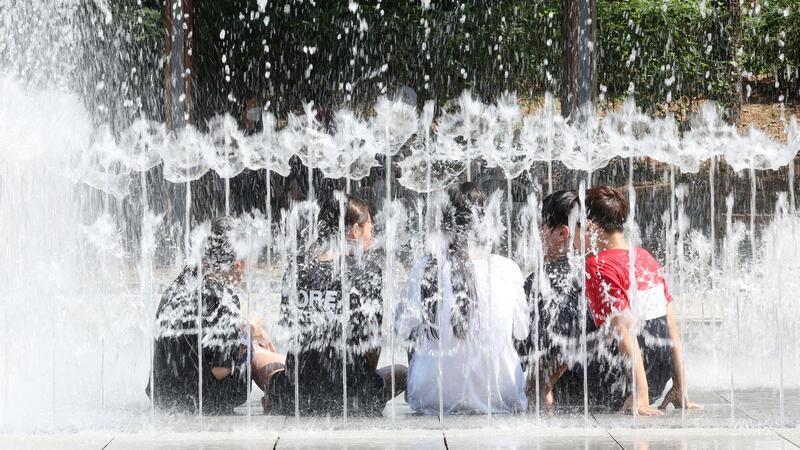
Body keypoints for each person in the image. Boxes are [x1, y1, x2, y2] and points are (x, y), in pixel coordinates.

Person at [267, 194, 407, 416]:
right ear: (354, 230)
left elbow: (291, 332)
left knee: (269, 367)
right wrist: (363, 382)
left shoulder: (296, 268)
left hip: (298, 395)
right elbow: (371, 345)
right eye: (369, 227)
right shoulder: (368, 272)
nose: (372, 236)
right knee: (402, 373)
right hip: (351, 397)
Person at [397, 182, 529, 415]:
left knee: (419, 332)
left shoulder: (426, 267)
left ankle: (437, 380)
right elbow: (522, 332)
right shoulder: (507, 268)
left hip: (432, 399)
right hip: (500, 396)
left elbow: (401, 327)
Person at [582, 186, 701, 416]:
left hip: (622, 381)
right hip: (658, 376)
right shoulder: (644, 257)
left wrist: (640, 394)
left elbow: (622, 330)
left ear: (591, 225)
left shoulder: (597, 266)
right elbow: (671, 325)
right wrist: (679, 386)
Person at [149, 217, 285, 414]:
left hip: (164, 396)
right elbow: (221, 371)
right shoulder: (223, 298)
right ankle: (284, 392)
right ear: (238, 263)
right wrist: (248, 333)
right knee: (255, 350)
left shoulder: (179, 285)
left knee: (248, 343)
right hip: (203, 401)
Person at [522, 190, 625, 414]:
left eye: (541, 228)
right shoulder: (600, 273)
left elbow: (536, 346)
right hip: (613, 388)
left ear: (562, 233)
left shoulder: (541, 281)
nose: (535, 235)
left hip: (569, 392)